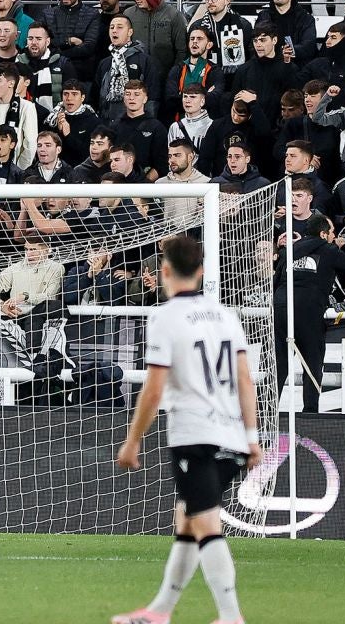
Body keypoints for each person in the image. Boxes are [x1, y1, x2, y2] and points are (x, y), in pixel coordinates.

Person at [112, 233, 259, 624]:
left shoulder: (166, 317)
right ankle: (159, 612)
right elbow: (246, 379)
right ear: (201, 271)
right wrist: (252, 436)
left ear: (164, 271)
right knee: (188, 519)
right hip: (231, 434)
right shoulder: (226, 315)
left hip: (194, 435)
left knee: (204, 521)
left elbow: (154, 387)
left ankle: (231, 616)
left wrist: (132, 440)